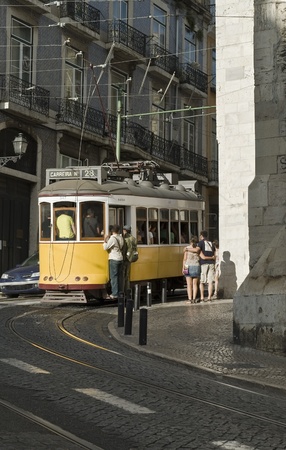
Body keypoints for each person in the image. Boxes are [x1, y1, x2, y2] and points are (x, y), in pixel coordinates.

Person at [103, 224, 124, 300]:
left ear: (111, 231)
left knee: (114, 277)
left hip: (114, 259)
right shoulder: (121, 238)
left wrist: (105, 240)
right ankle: (120, 292)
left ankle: (115, 294)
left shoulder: (112, 239)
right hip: (120, 258)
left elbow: (105, 247)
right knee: (120, 277)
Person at [197, 230, 215, 302]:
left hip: (204, 263)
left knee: (202, 281)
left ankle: (202, 297)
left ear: (201, 236)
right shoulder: (211, 243)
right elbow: (214, 254)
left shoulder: (201, 243)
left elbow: (198, 251)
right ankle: (209, 297)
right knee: (210, 281)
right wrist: (211, 258)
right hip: (211, 263)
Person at [182, 236, 200, 303]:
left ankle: (190, 299)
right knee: (195, 284)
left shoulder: (186, 248)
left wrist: (183, 268)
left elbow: (184, 259)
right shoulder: (198, 248)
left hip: (187, 266)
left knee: (189, 284)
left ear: (190, 241)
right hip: (196, 266)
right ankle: (194, 299)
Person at [122, 224, 137, 295]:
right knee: (127, 275)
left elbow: (124, 248)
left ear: (125, 230)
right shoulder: (133, 238)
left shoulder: (126, 239)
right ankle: (127, 290)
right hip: (130, 258)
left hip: (125, 258)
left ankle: (124, 290)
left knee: (123, 275)